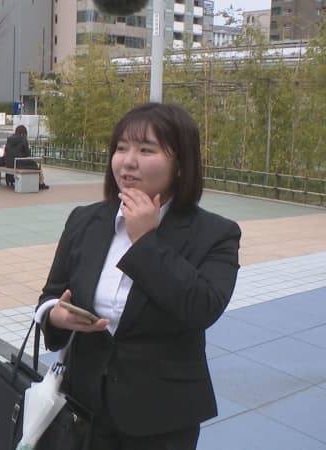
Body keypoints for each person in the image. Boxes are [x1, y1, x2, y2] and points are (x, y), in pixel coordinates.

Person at [34, 103, 241, 449]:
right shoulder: (85, 220)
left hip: (162, 419)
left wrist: (145, 240)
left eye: (146, 150)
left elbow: (202, 308)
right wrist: (56, 316)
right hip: (83, 410)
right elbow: (50, 296)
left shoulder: (215, 234)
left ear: (181, 163)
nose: (128, 161)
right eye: (121, 148)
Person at [4, 125, 48, 190]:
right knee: (36, 165)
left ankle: (12, 180)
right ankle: (41, 183)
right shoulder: (23, 140)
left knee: (33, 164)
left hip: (9, 163)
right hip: (19, 163)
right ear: (23, 133)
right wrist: (28, 149)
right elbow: (27, 155)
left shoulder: (9, 139)